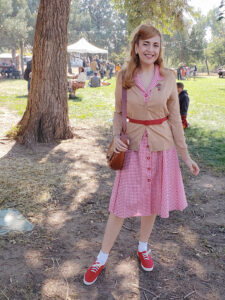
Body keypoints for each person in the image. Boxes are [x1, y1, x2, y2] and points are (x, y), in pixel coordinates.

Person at [83, 24, 199, 286]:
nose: (150, 49)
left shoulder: (168, 77)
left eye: (155, 45)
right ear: (136, 46)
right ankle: (101, 258)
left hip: (162, 147)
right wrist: (115, 136)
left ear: (160, 49)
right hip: (132, 147)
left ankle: (143, 246)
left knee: (155, 200)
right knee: (120, 205)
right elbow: (117, 112)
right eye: (145, 44)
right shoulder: (123, 75)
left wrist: (186, 157)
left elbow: (174, 119)